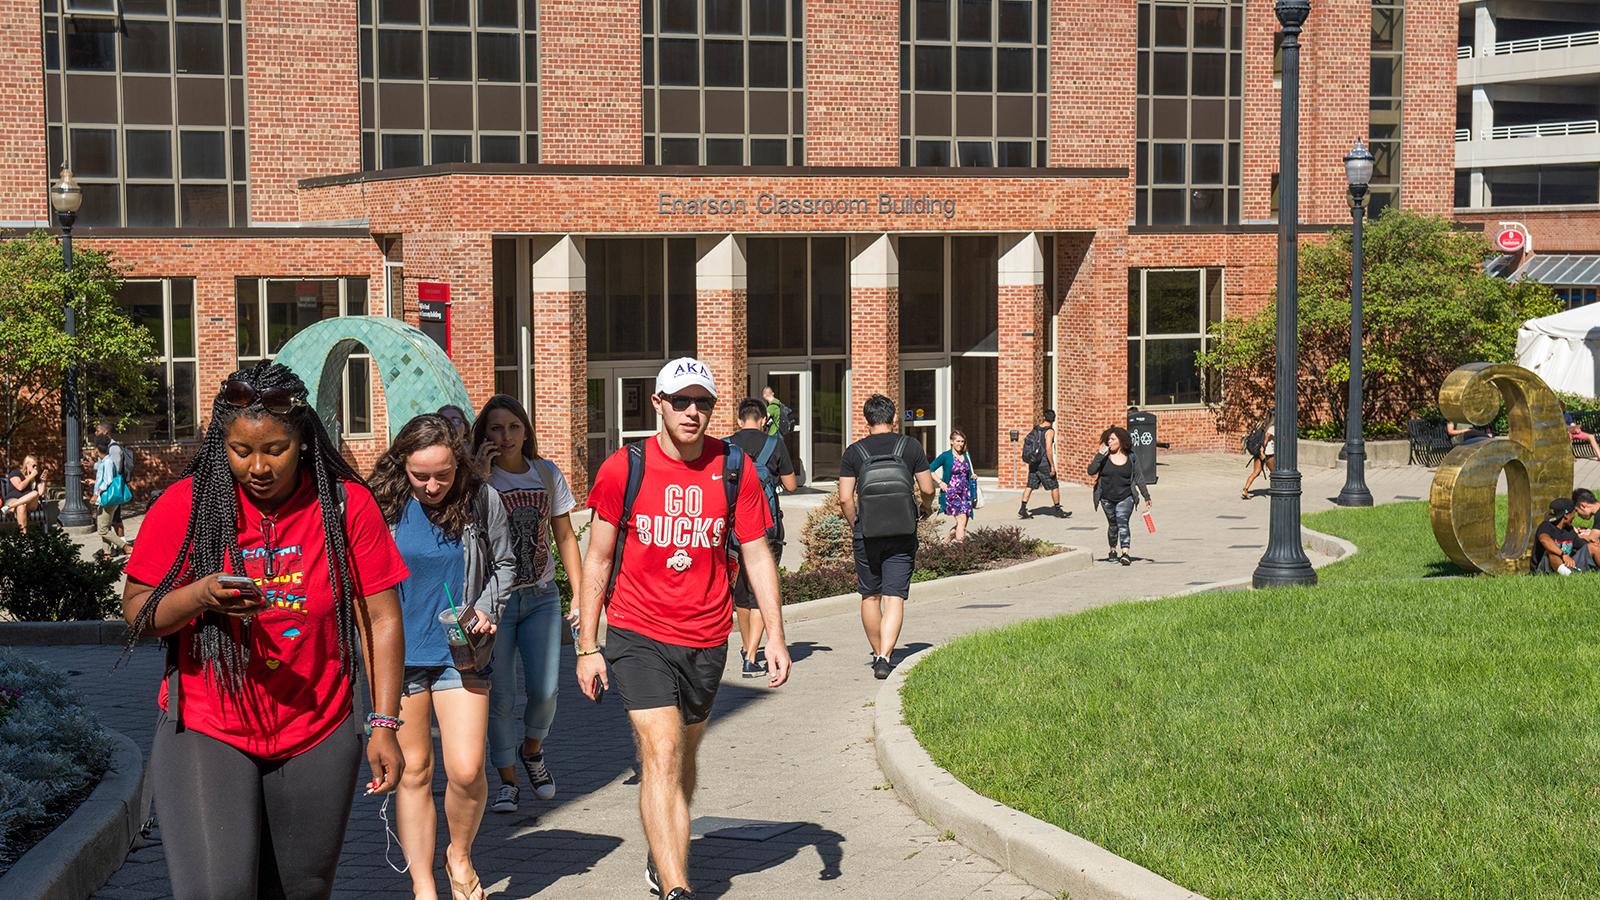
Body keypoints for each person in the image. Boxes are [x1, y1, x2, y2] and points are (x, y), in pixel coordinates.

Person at [120, 361, 409, 900]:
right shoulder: (188, 504)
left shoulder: (346, 506)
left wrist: (386, 722)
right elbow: (137, 611)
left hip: (317, 727)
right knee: (218, 891)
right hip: (208, 726)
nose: (257, 466)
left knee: (301, 892)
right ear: (220, 445)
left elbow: (382, 618)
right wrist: (200, 595)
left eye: (274, 449)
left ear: (302, 439)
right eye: (240, 450)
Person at [575, 357, 792, 900]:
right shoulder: (624, 468)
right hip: (637, 630)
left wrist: (776, 635)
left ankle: (661, 849)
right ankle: (676, 886)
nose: (693, 412)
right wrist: (587, 645)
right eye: (681, 401)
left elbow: (757, 555)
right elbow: (598, 558)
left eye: (703, 403)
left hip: (706, 635)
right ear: (658, 404)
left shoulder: (734, 466)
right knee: (662, 749)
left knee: (683, 759)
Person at [370, 414, 514, 900]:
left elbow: (506, 562)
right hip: (400, 658)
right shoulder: (381, 505)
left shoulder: (481, 498)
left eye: (443, 474)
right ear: (402, 466)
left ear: (459, 464)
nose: (433, 486)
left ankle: (459, 854)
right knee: (414, 771)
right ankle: (424, 886)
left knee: (468, 768)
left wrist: (488, 607)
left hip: (462, 652)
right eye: (420, 475)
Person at [469, 394, 583, 814]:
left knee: (547, 689)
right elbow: (466, 530)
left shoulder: (546, 473)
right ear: (485, 434)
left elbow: (566, 537)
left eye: (514, 427)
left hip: (541, 596)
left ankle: (531, 750)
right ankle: (507, 781)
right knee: (501, 696)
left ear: (525, 430)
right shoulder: (479, 478)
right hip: (494, 601)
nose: (506, 436)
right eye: (496, 428)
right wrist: (478, 477)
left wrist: (583, 596)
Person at [839, 393, 936, 681]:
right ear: (893, 419)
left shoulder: (854, 452)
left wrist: (856, 522)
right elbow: (928, 489)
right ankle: (885, 655)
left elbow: (845, 498)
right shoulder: (911, 447)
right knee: (894, 596)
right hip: (902, 530)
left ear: (866, 420)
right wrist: (925, 508)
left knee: (870, 595)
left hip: (867, 532)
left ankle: (877, 652)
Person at [725, 397, 798, 677]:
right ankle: (751, 655)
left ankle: (747, 648)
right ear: (765, 420)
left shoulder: (726, 447)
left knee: (741, 593)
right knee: (759, 593)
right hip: (765, 530)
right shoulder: (774, 444)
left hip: (730, 531)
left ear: (739, 420)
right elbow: (791, 485)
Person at [1088, 426, 1152, 566]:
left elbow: (1139, 477)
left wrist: (1146, 496)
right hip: (1106, 497)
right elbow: (1091, 471)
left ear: (1121, 441)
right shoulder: (1103, 457)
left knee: (1123, 522)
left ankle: (1125, 553)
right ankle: (1112, 550)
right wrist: (1099, 455)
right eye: (1108, 439)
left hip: (1126, 496)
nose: (1109, 442)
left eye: (1112, 439)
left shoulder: (1131, 457)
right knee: (1113, 525)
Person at [930, 430, 978, 542]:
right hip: (951, 492)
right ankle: (961, 550)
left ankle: (946, 542)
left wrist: (973, 476)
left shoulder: (966, 455)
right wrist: (940, 482)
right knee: (962, 520)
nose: (960, 444)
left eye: (962, 441)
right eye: (958, 441)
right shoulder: (945, 456)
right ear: (951, 441)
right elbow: (930, 469)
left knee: (963, 522)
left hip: (965, 492)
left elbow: (968, 473)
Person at [1018, 410, 1064, 519]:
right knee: (1054, 485)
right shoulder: (1050, 431)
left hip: (1034, 462)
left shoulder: (1036, 428)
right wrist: (1052, 465)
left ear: (1044, 417)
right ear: (1054, 419)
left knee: (1030, 485)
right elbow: (1048, 449)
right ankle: (1057, 509)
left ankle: (1023, 508)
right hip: (1044, 464)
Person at [92, 434, 131, 558]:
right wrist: (94, 483)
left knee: (102, 529)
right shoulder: (105, 461)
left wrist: (96, 494)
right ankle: (106, 555)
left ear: (97, 450)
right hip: (104, 499)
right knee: (106, 527)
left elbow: (108, 481)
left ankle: (126, 547)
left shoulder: (107, 462)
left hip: (107, 499)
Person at [1533, 497, 1592, 574]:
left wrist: (1591, 541)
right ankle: (1570, 576)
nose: (1575, 516)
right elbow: (1544, 540)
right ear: (1566, 516)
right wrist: (1563, 554)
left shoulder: (1569, 530)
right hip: (1544, 568)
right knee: (1552, 553)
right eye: (1574, 512)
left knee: (1593, 547)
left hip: (1565, 565)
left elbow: (1584, 546)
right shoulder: (1546, 526)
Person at [2, 455, 44, 532]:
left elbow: (40, 493)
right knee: (21, 506)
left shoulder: (35, 477)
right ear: (27, 464)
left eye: (36, 466)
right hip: (13, 499)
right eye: (33, 465)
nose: (35, 468)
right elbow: (20, 487)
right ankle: (24, 536)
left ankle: (8, 507)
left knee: (35, 493)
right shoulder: (16, 473)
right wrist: (30, 476)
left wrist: (43, 481)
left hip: (29, 503)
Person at [1241, 412, 1275, 500]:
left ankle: (1245, 489)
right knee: (1274, 472)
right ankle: (1275, 490)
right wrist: (1262, 451)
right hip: (1268, 454)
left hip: (1258, 453)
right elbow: (1265, 439)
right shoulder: (1272, 427)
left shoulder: (1262, 424)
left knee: (1256, 472)